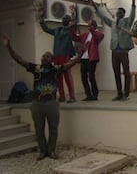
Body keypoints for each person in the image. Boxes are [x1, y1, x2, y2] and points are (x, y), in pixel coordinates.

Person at [2, 33, 84, 161]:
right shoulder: (36, 69)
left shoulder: (56, 69)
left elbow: (73, 63)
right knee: (39, 129)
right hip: (37, 104)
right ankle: (42, 151)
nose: (44, 57)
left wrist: (80, 54)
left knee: (53, 129)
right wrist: (9, 47)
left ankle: (51, 151)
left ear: (52, 60)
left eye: (47, 56)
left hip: (51, 104)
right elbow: (19, 59)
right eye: (43, 56)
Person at [89, 0, 136, 101]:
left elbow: (132, 16)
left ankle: (126, 94)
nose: (118, 14)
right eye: (117, 12)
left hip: (123, 51)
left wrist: (133, 2)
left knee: (126, 73)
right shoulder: (113, 23)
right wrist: (95, 7)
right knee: (116, 73)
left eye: (120, 12)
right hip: (114, 51)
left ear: (123, 14)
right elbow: (104, 18)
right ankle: (119, 93)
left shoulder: (127, 21)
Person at [39, 8, 76, 103]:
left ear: (68, 21)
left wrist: (73, 14)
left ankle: (72, 97)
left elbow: (74, 24)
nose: (64, 20)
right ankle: (62, 96)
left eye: (66, 19)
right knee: (58, 77)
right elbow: (45, 29)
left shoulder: (70, 29)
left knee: (67, 77)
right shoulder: (57, 30)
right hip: (56, 57)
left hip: (65, 56)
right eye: (63, 19)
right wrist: (41, 17)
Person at [69, 8, 104, 101]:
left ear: (93, 26)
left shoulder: (99, 34)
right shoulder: (85, 35)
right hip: (84, 57)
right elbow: (74, 38)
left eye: (90, 25)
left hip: (92, 57)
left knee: (91, 76)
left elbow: (96, 38)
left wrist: (91, 29)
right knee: (83, 77)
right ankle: (88, 95)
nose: (88, 26)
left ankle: (95, 94)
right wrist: (71, 27)